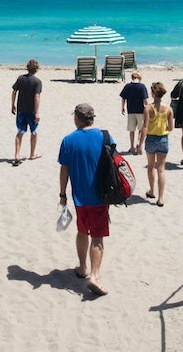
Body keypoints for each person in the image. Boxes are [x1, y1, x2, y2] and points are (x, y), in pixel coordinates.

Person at [57, 102, 109, 296]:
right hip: (100, 197)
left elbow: (64, 170)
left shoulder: (68, 140)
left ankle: (82, 268)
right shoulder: (104, 136)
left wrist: (62, 194)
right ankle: (94, 276)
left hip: (79, 198)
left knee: (82, 231)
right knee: (97, 236)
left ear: (77, 118)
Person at [143, 81, 173, 205]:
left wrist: (139, 143)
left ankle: (151, 190)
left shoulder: (148, 108)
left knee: (151, 166)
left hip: (151, 138)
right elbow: (171, 127)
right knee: (161, 169)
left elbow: (145, 126)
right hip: (163, 139)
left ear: (153, 93)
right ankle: (160, 198)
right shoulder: (168, 109)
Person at [11, 59, 42, 165]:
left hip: (21, 110)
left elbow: (14, 91)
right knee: (33, 132)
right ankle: (32, 154)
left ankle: (17, 155)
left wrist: (12, 105)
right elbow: (37, 96)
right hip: (31, 112)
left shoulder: (20, 78)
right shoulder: (37, 82)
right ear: (36, 69)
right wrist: (37, 112)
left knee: (20, 132)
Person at [118, 70, 148, 154]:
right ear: (139, 78)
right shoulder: (142, 86)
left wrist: (123, 107)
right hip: (140, 111)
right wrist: (148, 108)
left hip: (130, 110)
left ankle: (132, 146)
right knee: (141, 129)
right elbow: (145, 100)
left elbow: (123, 98)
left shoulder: (127, 86)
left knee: (132, 130)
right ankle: (138, 143)